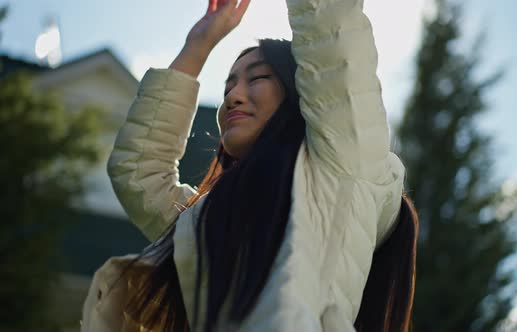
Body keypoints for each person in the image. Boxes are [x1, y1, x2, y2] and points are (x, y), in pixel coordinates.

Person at [81, 0, 419, 331]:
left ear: (300, 92)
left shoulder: (344, 156)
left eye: (256, 79)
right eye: (228, 85)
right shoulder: (211, 219)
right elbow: (139, 173)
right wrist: (198, 45)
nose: (233, 96)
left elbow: (333, 43)